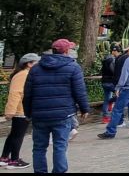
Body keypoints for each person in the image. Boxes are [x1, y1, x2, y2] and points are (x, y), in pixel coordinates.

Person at [24, 39, 91, 173]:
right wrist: (84, 109)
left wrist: (28, 113)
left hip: (39, 115)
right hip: (63, 115)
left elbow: (28, 93)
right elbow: (79, 91)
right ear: (66, 51)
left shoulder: (36, 68)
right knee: (60, 146)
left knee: (39, 147)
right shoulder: (73, 67)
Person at [98, 44, 129, 139]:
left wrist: (118, 88)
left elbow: (124, 75)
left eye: (128, 51)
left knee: (117, 110)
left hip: (128, 88)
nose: (127, 53)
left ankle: (110, 132)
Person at [0, 53, 40, 169]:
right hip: (21, 111)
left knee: (14, 135)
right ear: (29, 64)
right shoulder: (23, 75)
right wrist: (11, 111)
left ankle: (4, 158)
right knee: (18, 136)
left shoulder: (26, 74)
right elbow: (15, 93)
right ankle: (14, 160)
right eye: (37, 62)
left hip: (21, 110)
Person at [100, 44, 121, 124]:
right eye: (117, 52)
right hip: (111, 82)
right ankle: (111, 102)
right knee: (121, 94)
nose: (117, 53)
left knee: (106, 99)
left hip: (104, 82)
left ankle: (105, 118)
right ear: (114, 51)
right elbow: (114, 72)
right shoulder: (112, 60)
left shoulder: (105, 59)